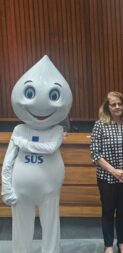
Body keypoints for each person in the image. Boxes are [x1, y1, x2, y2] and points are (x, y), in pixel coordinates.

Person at [1, 55, 73, 253]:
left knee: (51, 227)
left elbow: (50, 148)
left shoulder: (56, 130)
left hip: (49, 190)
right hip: (20, 190)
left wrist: (24, 144)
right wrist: (6, 188)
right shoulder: (19, 129)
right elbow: (8, 162)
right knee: (21, 229)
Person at [90, 91, 123, 253]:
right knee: (108, 210)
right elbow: (95, 154)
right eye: (114, 104)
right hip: (106, 177)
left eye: (120, 104)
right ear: (107, 107)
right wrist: (113, 171)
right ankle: (108, 245)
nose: (117, 107)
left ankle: (122, 243)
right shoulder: (100, 125)